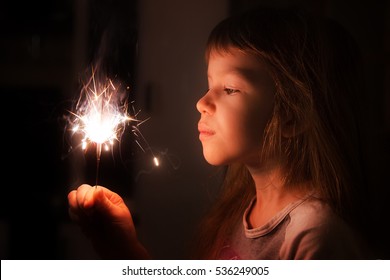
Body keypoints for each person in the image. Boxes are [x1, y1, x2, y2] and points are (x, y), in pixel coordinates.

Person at [68, 6, 374, 259]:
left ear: (292, 116)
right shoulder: (237, 213)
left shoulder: (317, 239)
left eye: (229, 88)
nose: (202, 102)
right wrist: (124, 250)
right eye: (209, 84)